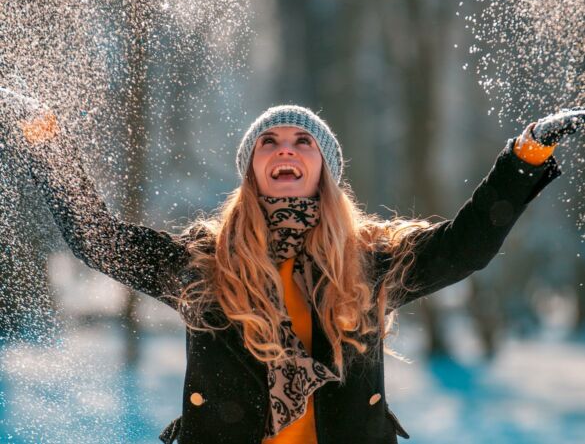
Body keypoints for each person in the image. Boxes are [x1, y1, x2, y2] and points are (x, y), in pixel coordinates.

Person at [0, 91, 583, 444]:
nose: (285, 148)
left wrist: (524, 157)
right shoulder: (207, 267)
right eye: (268, 141)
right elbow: (98, 241)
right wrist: (45, 141)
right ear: (251, 169)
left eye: (302, 140)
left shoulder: (368, 262)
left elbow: (466, 247)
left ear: (324, 168)